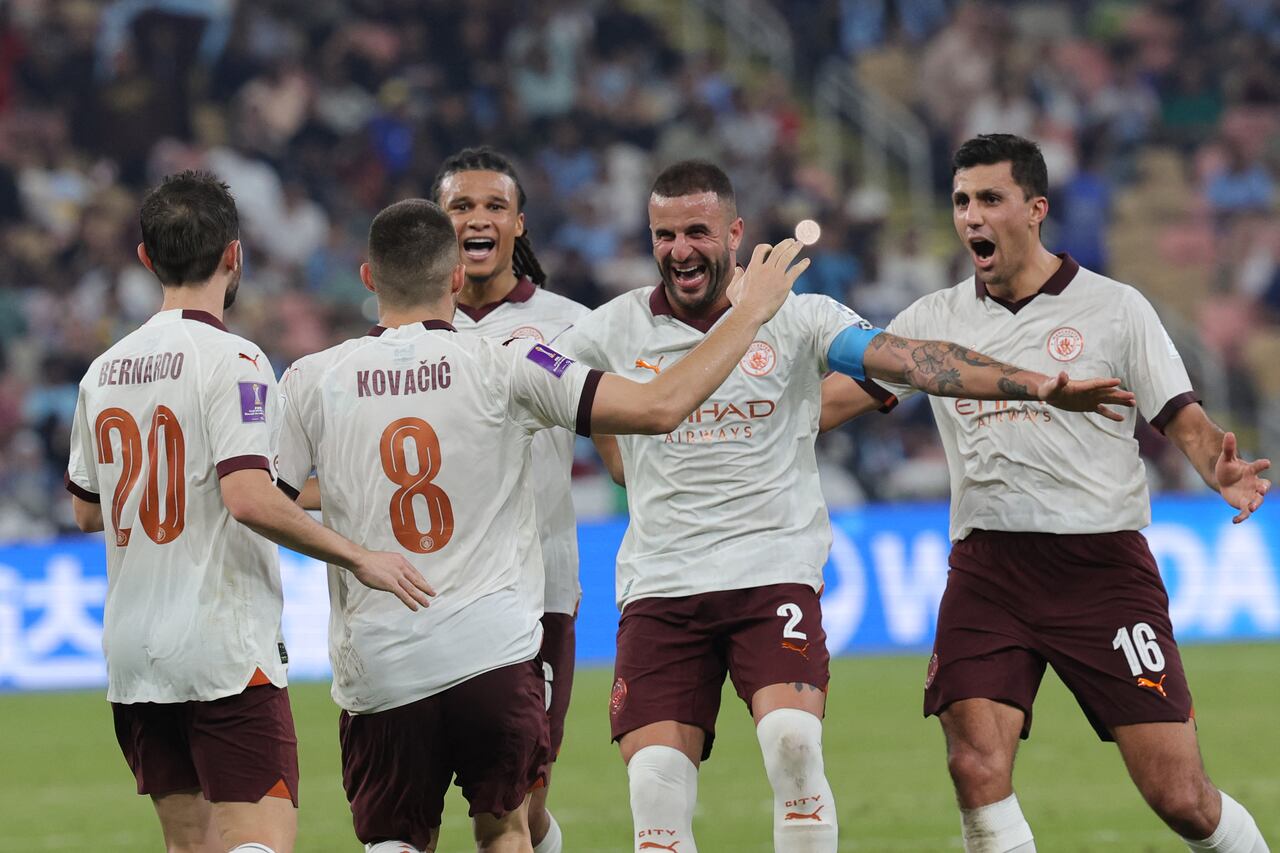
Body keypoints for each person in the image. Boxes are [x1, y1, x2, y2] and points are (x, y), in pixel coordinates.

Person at [552, 159, 1134, 853]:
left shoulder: (802, 318)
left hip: (771, 572)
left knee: (792, 740)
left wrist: (1035, 384)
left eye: (697, 232)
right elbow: (530, 392)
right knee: (652, 786)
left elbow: (916, 362)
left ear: (735, 233)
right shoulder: (610, 330)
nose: (680, 250)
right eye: (664, 235)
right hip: (660, 585)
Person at [273, 197, 812, 853]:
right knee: (506, 828)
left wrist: (353, 551)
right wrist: (749, 311)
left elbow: (259, 498)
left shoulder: (309, 378)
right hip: (491, 652)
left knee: (392, 838)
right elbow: (657, 405)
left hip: (381, 663)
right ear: (452, 279)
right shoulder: (511, 361)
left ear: (367, 278)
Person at [821, 134, 1273, 853]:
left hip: (1101, 571)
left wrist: (1218, 468)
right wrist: (739, 416)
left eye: (990, 199)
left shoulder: (1114, 308)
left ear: (1035, 210)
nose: (972, 216)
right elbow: (831, 401)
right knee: (974, 763)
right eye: (961, 201)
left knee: (1181, 798)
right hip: (988, 568)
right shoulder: (933, 321)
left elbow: (1182, 418)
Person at [63, 171, 432, 853]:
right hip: (222, 645)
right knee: (258, 839)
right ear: (235, 255)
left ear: (147, 259)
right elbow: (249, 496)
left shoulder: (103, 370)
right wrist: (360, 554)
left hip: (134, 653)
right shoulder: (234, 359)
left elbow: (87, 511)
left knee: (189, 844)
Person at [431, 146, 592, 853]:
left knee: (522, 801)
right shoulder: (408, 331)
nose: (478, 218)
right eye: (461, 206)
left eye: (494, 206)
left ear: (519, 224)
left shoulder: (571, 324)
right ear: (437, 226)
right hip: (436, 590)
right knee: (438, 801)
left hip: (539, 586)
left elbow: (621, 438)